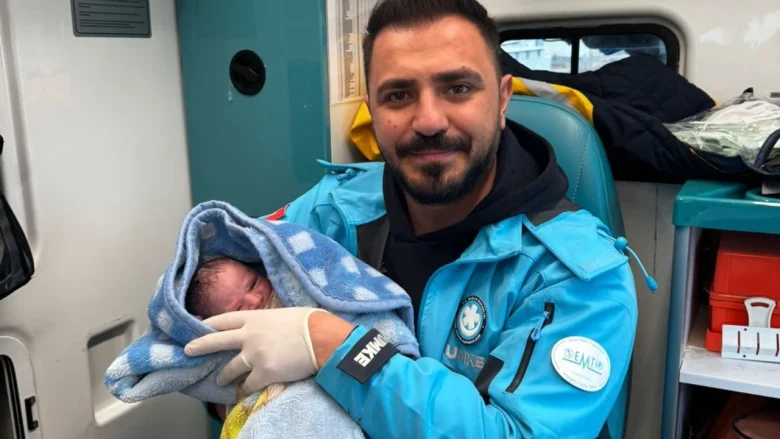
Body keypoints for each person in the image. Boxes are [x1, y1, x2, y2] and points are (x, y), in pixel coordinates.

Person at [184, 0, 639, 437]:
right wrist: (230, 388)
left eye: (458, 88)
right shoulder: (331, 212)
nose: (429, 121)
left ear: (502, 100)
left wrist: (330, 346)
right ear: (372, 111)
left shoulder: (577, 276)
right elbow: (197, 305)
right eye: (399, 95)